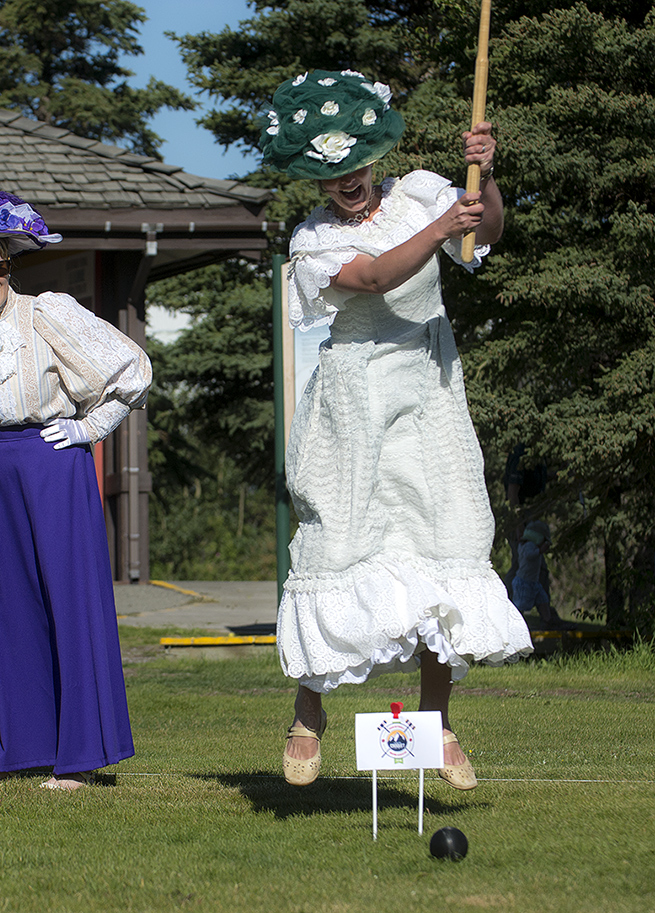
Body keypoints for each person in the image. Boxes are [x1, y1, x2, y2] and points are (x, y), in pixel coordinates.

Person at [260, 70, 533, 789]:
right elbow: (377, 277)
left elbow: (481, 243)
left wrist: (487, 182)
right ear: (314, 179)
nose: (347, 181)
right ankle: (307, 715)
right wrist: (442, 226)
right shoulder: (311, 242)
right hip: (355, 399)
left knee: (445, 538)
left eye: (354, 165)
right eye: (331, 173)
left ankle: (436, 725)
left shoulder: (418, 191)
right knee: (341, 540)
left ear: (373, 157)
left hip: (428, 388)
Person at [0, 191, 151, 790]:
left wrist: (88, 428)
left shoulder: (46, 313)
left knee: (67, 603)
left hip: (52, 463)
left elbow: (131, 370)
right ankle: (9, 750)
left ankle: (78, 757)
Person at [512, 520, 572, 630]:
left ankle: (547, 621)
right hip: (524, 582)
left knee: (543, 600)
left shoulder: (527, 544)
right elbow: (529, 555)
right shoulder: (528, 545)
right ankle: (516, 625)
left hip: (533, 582)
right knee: (520, 605)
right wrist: (540, 550)